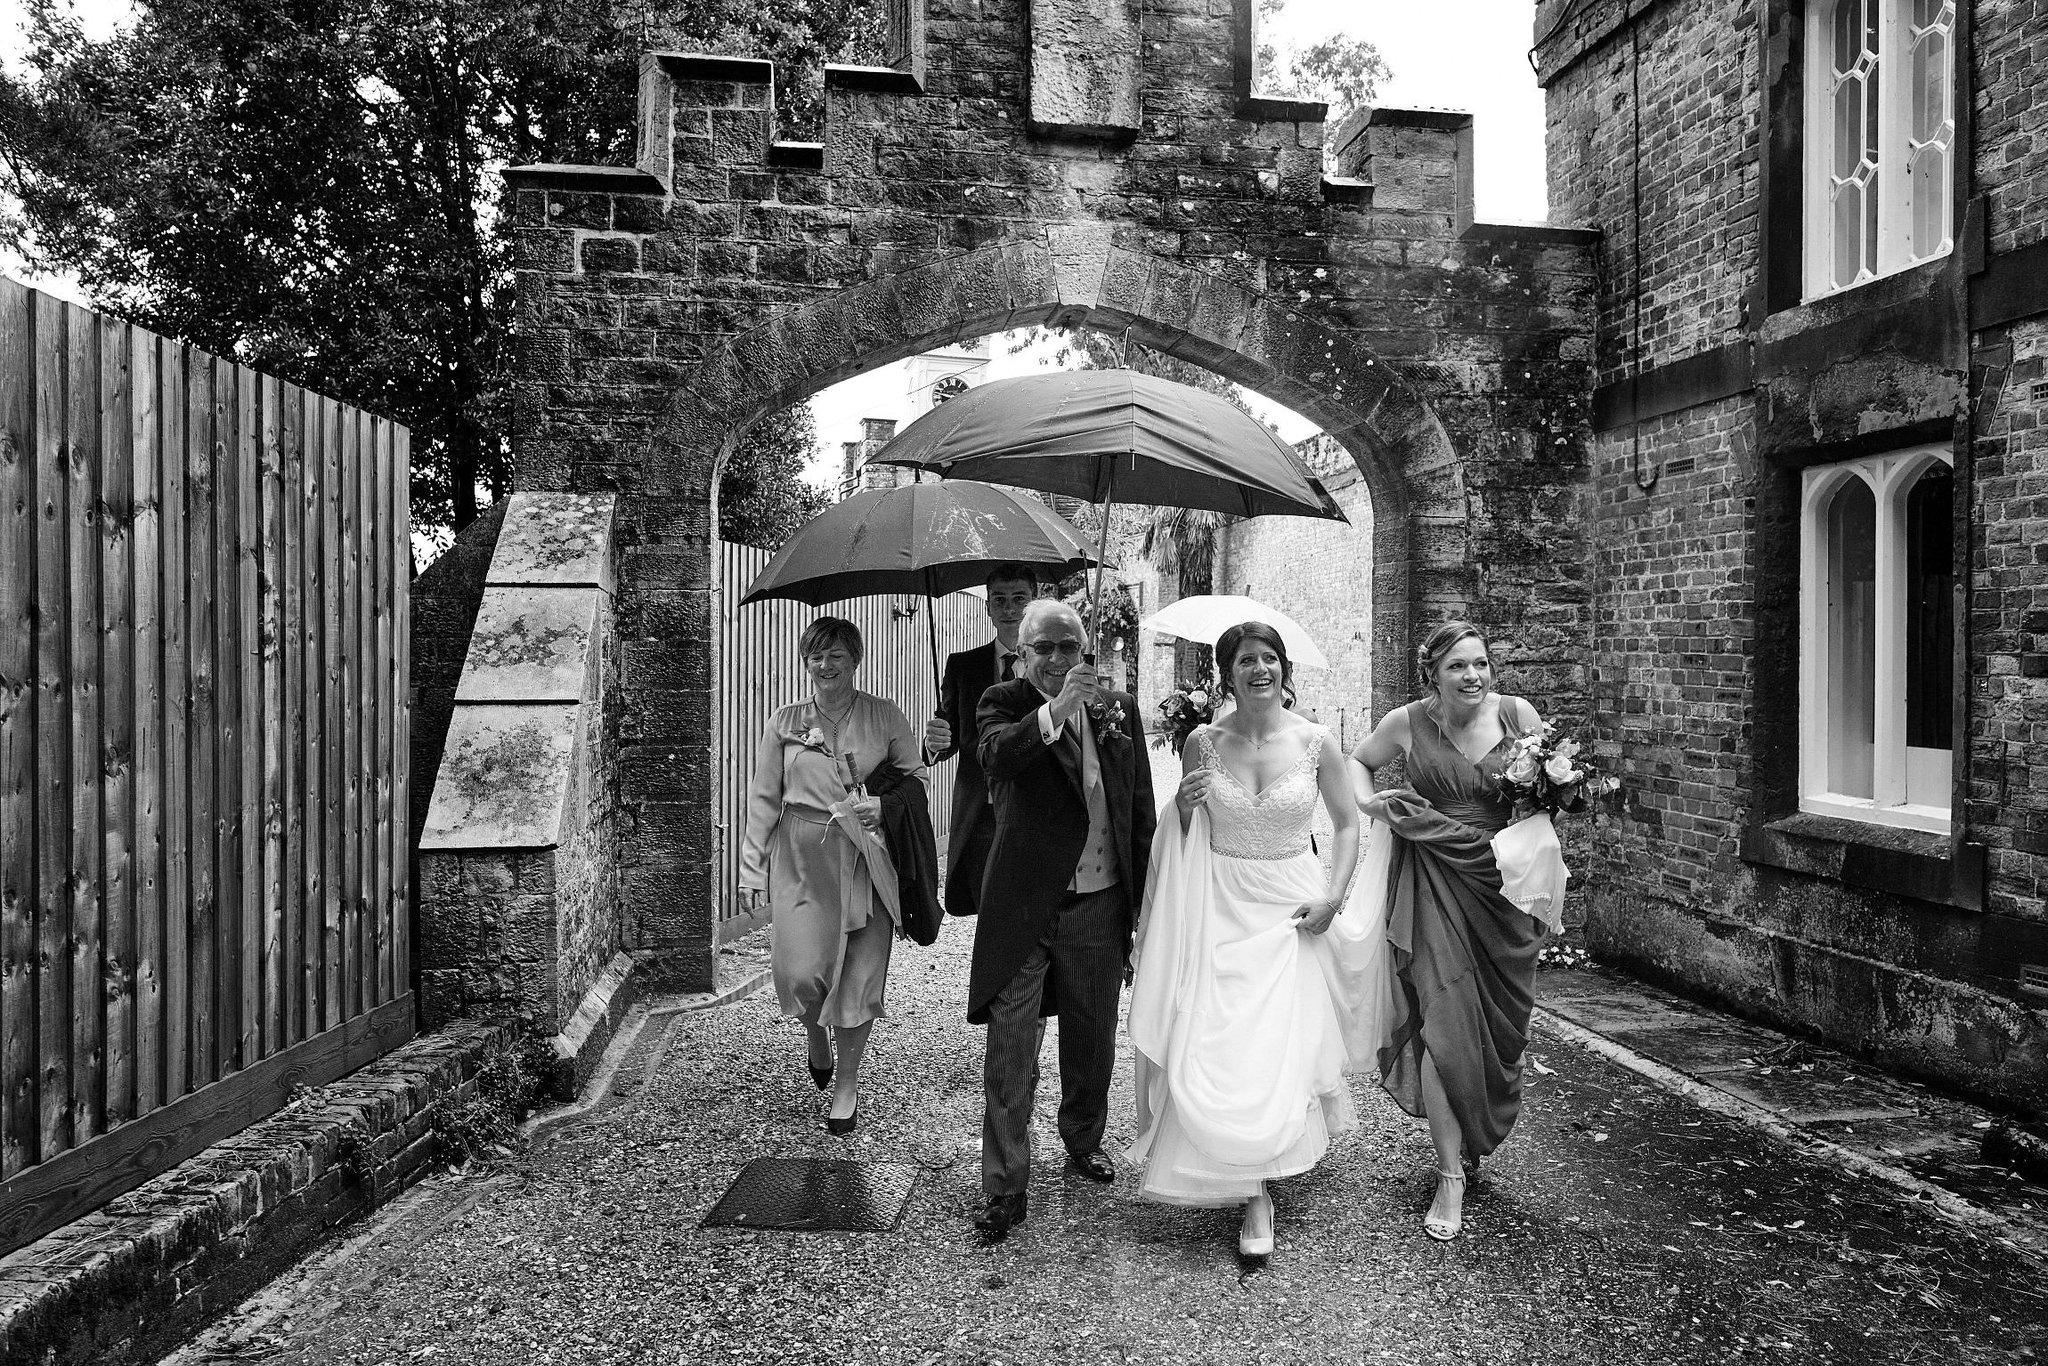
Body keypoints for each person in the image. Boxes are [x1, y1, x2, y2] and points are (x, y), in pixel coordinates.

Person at [1127, 621, 1390, 1263]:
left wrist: (1334, 895)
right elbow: (1183, 831)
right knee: (1218, 1040)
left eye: (1269, 658)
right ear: (1228, 673)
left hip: (1291, 910)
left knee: (1275, 1046)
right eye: (1246, 660)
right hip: (1218, 905)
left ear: (1284, 669)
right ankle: (1241, 1174)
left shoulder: (1317, 742)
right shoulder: (1201, 743)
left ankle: (1257, 1191)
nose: (1260, 669)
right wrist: (1183, 808)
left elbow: (1348, 824)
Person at [1347, 621, 1551, 1241]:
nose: (1473, 676)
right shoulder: (1407, 721)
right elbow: (1359, 762)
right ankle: (1448, 1176)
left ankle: (1470, 1130)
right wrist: (1371, 804)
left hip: (1501, 886)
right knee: (1441, 1018)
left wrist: (1552, 799)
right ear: (1431, 673)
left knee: (1495, 1026)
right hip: (1433, 877)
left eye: (1481, 664)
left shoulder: (1519, 716)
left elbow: (1545, 795)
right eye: (1458, 666)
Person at [968, 600, 1156, 1240]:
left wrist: (1142, 902)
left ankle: (1083, 1138)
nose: (1055, 659)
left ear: (1086, 649)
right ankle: (1004, 1186)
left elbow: (1137, 811)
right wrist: (1056, 713)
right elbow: (998, 759)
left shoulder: (1119, 709)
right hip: (1025, 904)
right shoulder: (1001, 702)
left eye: (1068, 647)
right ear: (1022, 655)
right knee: (1011, 1045)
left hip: (1100, 900)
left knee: (1092, 1030)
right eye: (1042, 648)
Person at [739, 616, 923, 1135]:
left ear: (855, 660)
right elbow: (764, 797)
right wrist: (753, 868)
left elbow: (916, 779)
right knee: (798, 973)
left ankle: (847, 1083)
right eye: (816, 656)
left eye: (836, 656)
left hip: (865, 857)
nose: (824, 666)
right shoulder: (785, 722)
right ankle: (815, 1037)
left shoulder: (885, 716)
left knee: (859, 977)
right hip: (801, 858)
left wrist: (884, 808)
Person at [921, 565, 1040, 917]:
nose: (1009, 609)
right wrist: (934, 742)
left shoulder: (1052, 666)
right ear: (987, 607)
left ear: (1033, 603)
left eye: (1019, 599)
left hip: (1038, 811)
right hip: (982, 814)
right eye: (999, 600)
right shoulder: (963, 666)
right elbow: (951, 733)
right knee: (989, 914)